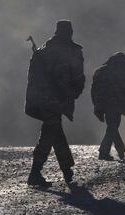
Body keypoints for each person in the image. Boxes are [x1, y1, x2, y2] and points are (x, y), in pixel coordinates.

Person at [25, 20, 85, 186]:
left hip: (43, 99)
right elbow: (79, 77)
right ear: (70, 32)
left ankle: (65, 170)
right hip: (58, 99)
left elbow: (33, 76)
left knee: (54, 131)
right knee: (50, 132)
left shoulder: (44, 50)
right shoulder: (72, 51)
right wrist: (73, 93)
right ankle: (36, 172)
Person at [91, 52, 125, 160]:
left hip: (103, 103)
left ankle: (120, 148)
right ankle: (104, 151)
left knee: (112, 126)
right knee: (113, 126)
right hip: (117, 103)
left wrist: (96, 104)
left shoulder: (100, 71)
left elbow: (94, 90)